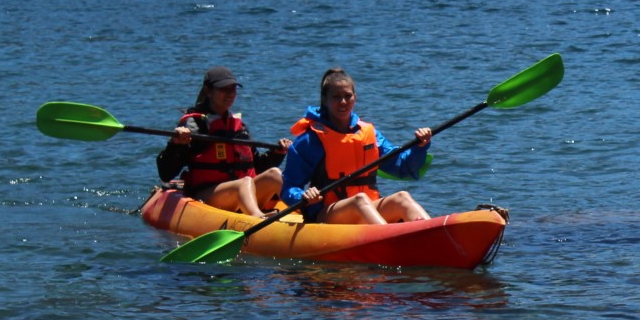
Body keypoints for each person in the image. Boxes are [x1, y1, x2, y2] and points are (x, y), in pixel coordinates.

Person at [280, 67, 433, 225]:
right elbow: (288, 188)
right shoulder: (310, 141)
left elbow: (402, 166)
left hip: (368, 209)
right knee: (359, 201)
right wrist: (304, 196)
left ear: (355, 97)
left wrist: (420, 147)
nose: (343, 102)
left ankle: (434, 235)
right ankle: (388, 241)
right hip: (326, 214)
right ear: (325, 100)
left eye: (348, 96)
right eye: (336, 97)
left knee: (402, 197)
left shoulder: (368, 133)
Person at [156, 66, 289, 217]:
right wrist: (176, 145)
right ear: (208, 91)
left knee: (275, 174)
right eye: (223, 89)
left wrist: (277, 153)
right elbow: (166, 174)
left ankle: (306, 213)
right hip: (208, 195)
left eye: (233, 89)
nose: (230, 94)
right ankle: (258, 219)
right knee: (244, 182)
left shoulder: (239, 126)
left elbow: (255, 167)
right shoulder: (194, 125)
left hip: (242, 191)